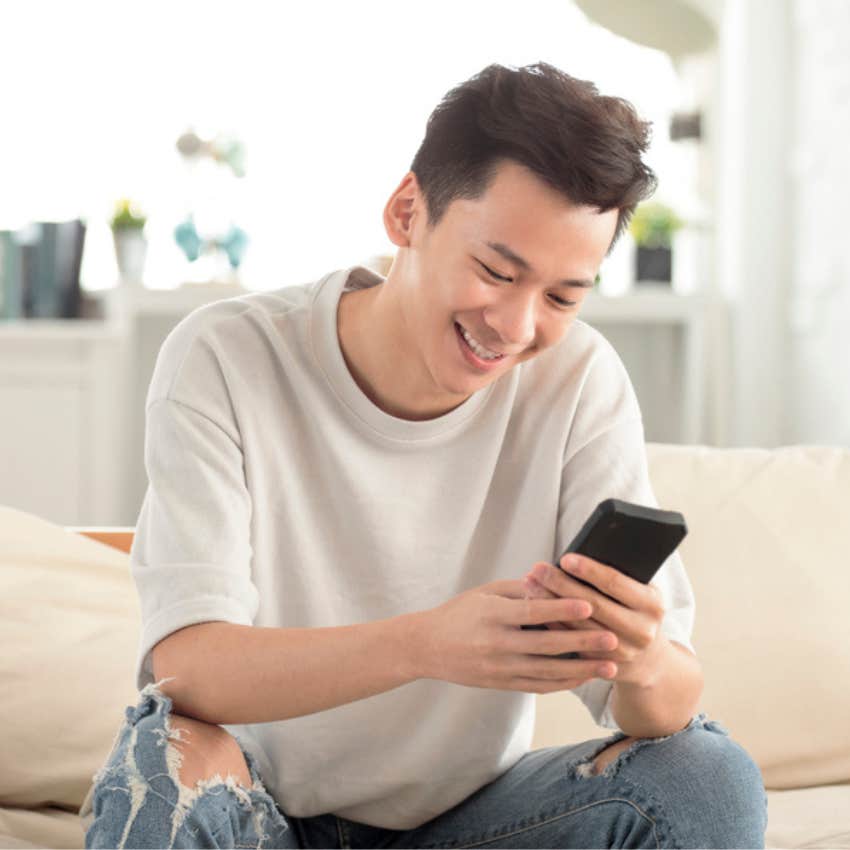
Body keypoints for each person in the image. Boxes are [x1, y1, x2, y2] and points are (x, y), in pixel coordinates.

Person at [83, 61, 767, 849]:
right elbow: (185, 669)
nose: (515, 325)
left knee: (706, 777)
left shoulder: (579, 381)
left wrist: (642, 659)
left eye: (562, 297)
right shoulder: (227, 356)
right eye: (496, 271)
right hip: (257, 813)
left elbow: (669, 703)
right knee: (158, 760)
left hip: (472, 826)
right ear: (407, 211)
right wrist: (428, 643)